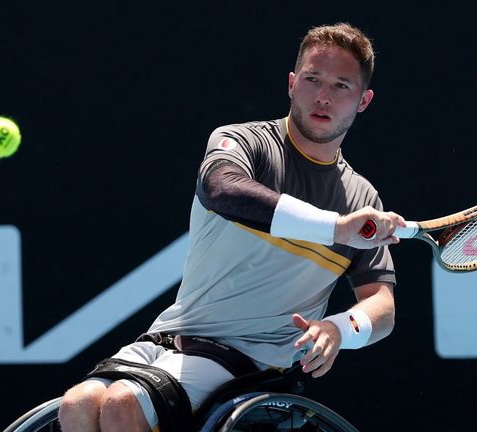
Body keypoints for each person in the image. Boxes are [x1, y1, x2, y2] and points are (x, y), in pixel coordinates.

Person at [59, 22, 406, 432]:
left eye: (341, 86)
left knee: (120, 406)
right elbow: (222, 189)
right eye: (313, 79)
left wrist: (339, 327)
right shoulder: (244, 142)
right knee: (77, 405)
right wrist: (335, 227)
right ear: (292, 83)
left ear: (363, 100)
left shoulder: (361, 197)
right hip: (169, 337)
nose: (324, 96)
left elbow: (381, 306)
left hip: (254, 361)